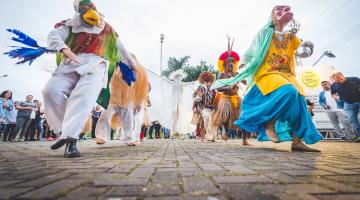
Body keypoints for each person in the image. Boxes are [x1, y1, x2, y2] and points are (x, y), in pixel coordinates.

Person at [212, 5, 322, 152]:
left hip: (287, 75)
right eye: (279, 10)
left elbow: (302, 51)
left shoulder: (291, 36)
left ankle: (297, 141)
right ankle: (269, 122)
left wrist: (307, 47)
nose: (283, 12)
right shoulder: (264, 32)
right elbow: (251, 50)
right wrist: (245, 64)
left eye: (286, 10)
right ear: (272, 16)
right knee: (289, 91)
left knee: (300, 100)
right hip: (268, 74)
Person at [43, 0, 134, 157]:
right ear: (79, 11)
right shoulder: (69, 25)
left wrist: (131, 64)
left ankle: (71, 139)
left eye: (91, 6)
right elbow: (53, 35)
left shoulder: (107, 28)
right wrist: (64, 48)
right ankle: (64, 131)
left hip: (97, 65)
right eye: (84, 7)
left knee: (83, 98)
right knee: (50, 91)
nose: (89, 9)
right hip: (71, 63)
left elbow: (121, 49)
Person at [95, 54, 149, 146]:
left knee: (128, 119)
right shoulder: (113, 68)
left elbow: (139, 88)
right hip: (112, 99)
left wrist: (138, 102)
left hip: (127, 100)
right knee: (105, 115)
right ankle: (101, 136)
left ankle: (128, 138)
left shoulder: (136, 71)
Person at [212, 38, 249, 145]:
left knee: (243, 116)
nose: (231, 64)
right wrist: (228, 87)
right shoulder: (222, 75)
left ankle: (244, 139)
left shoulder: (237, 74)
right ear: (225, 65)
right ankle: (225, 133)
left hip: (236, 98)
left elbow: (245, 82)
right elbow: (218, 88)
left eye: (233, 63)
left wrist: (251, 82)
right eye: (229, 63)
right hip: (225, 99)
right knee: (224, 117)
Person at [330, 72, 360, 142]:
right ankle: (359, 136)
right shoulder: (334, 85)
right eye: (338, 81)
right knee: (353, 120)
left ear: (343, 75)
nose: (340, 81)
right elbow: (332, 94)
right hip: (348, 104)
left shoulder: (354, 79)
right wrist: (335, 97)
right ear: (334, 80)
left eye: (341, 79)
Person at [193, 71, 217, 142]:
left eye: (208, 79)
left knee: (214, 121)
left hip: (213, 108)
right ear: (203, 80)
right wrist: (199, 96)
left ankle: (213, 136)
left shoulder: (214, 88)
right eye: (206, 79)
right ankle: (209, 136)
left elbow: (217, 96)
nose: (207, 80)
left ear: (211, 80)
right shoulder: (200, 88)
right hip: (204, 108)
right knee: (207, 117)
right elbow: (195, 98)